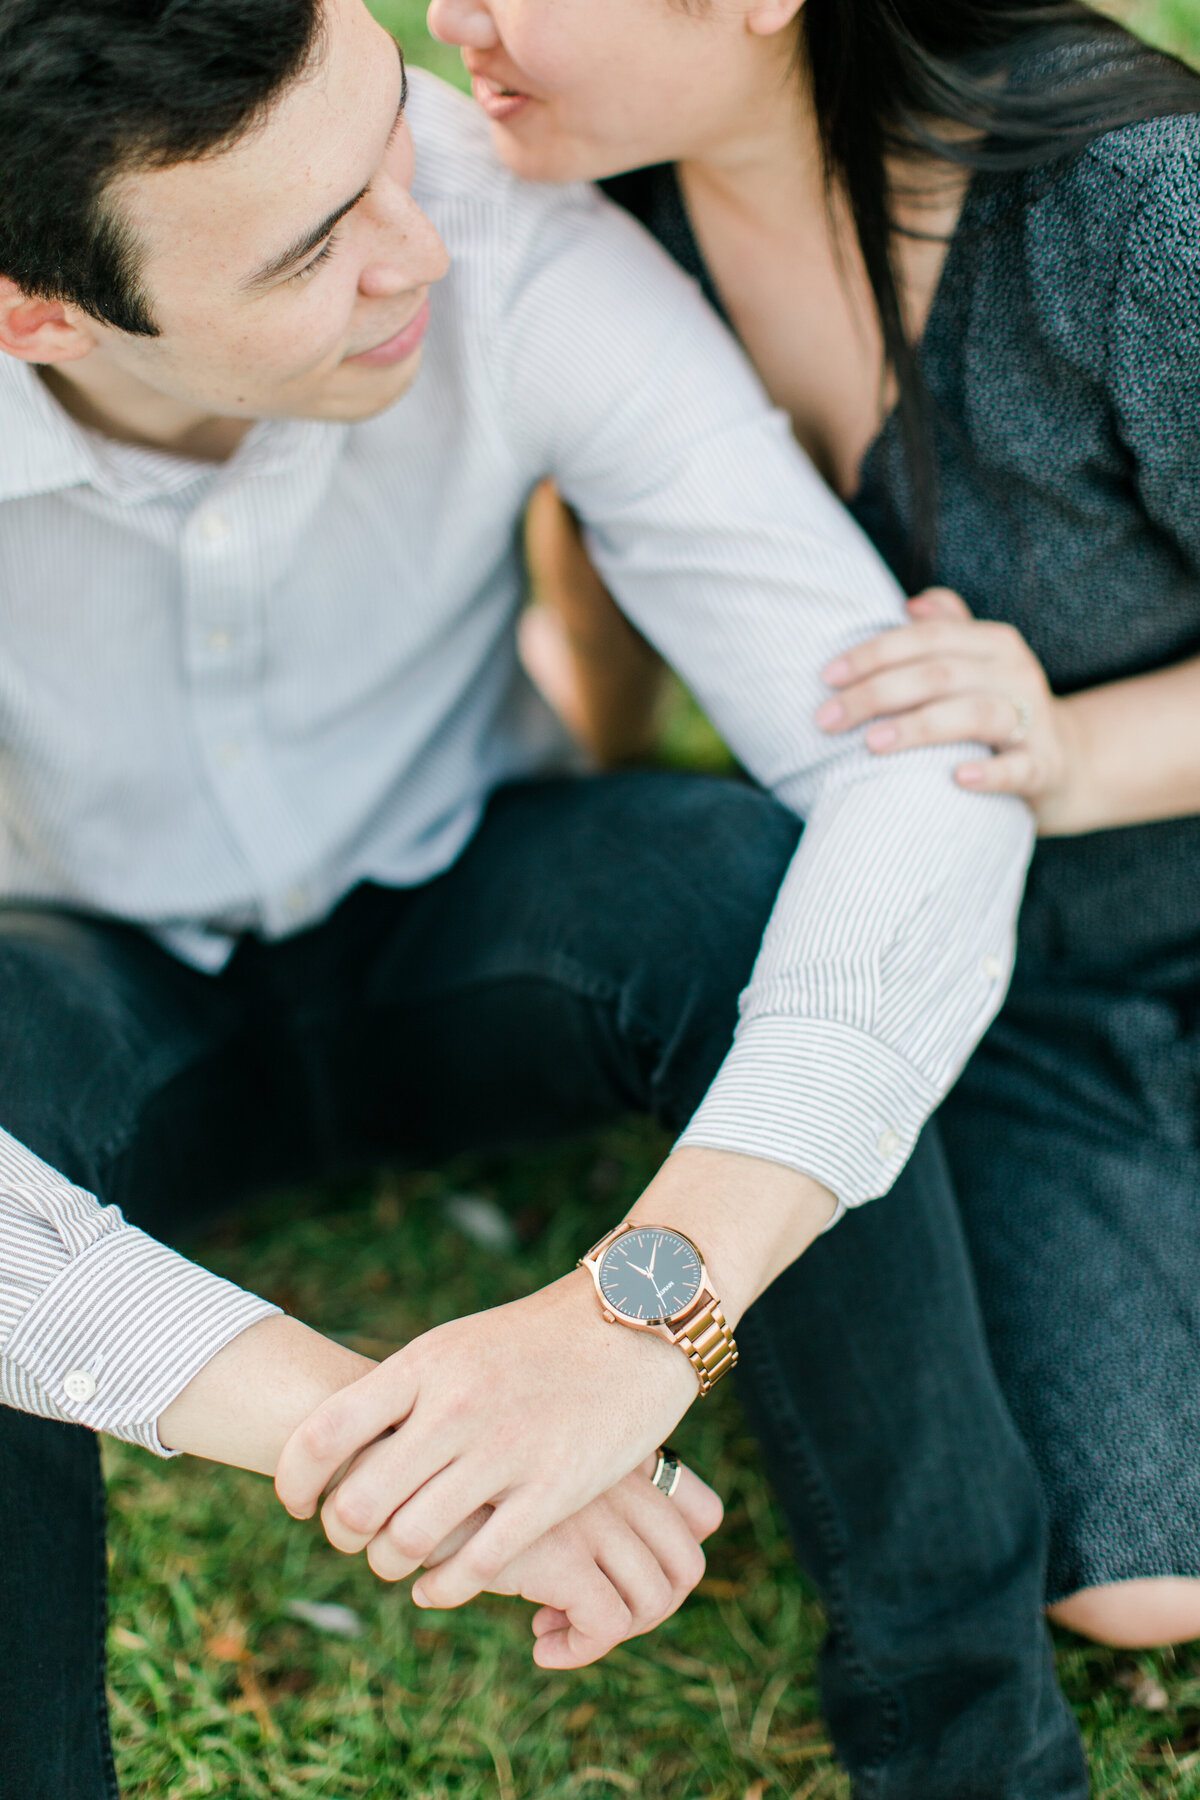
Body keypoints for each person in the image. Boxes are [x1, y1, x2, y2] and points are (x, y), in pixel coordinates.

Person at [0, 1, 1087, 1795]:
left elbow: (913, 755)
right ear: (38, 313)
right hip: (87, 985)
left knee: (738, 884)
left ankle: (974, 1750)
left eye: (383, 137)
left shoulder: (503, 243)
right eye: (309, 245)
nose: (414, 238)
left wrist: (635, 1322)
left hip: (471, 916)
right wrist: (384, 1444)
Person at [428, 0, 1200, 1653]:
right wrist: (585, 767)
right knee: (1141, 1583)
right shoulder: (610, 198)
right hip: (1004, 987)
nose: (455, 23)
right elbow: (609, 525)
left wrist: (1065, 749)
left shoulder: (1132, 205)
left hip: (1161, 857)